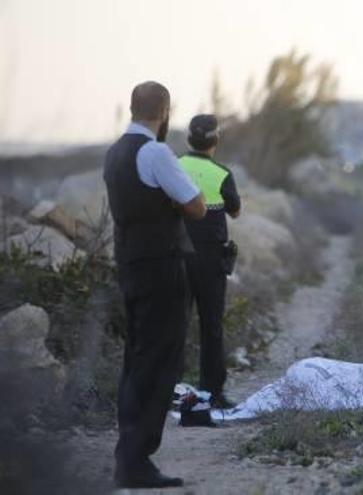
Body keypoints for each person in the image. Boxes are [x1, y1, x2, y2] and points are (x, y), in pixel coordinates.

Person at [103, 81, 206, 489]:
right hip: (161, 267)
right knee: (160, 360)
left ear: (132, 107)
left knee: (138, 358)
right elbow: (196, 206)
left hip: (129, 265)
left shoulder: (114, 153)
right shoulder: (156, 151)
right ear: (164, 110)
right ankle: (135, 460)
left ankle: (128, 454)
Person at [178, 114, 241, 409]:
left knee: (174, 323)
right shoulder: (221, 173)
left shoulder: (174, 167)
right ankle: (211, 393)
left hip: (176, 255)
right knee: (211, 326)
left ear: (189, 139)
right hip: (211, 259)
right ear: (216, 140)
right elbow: (236, 211)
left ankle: (169, 390)